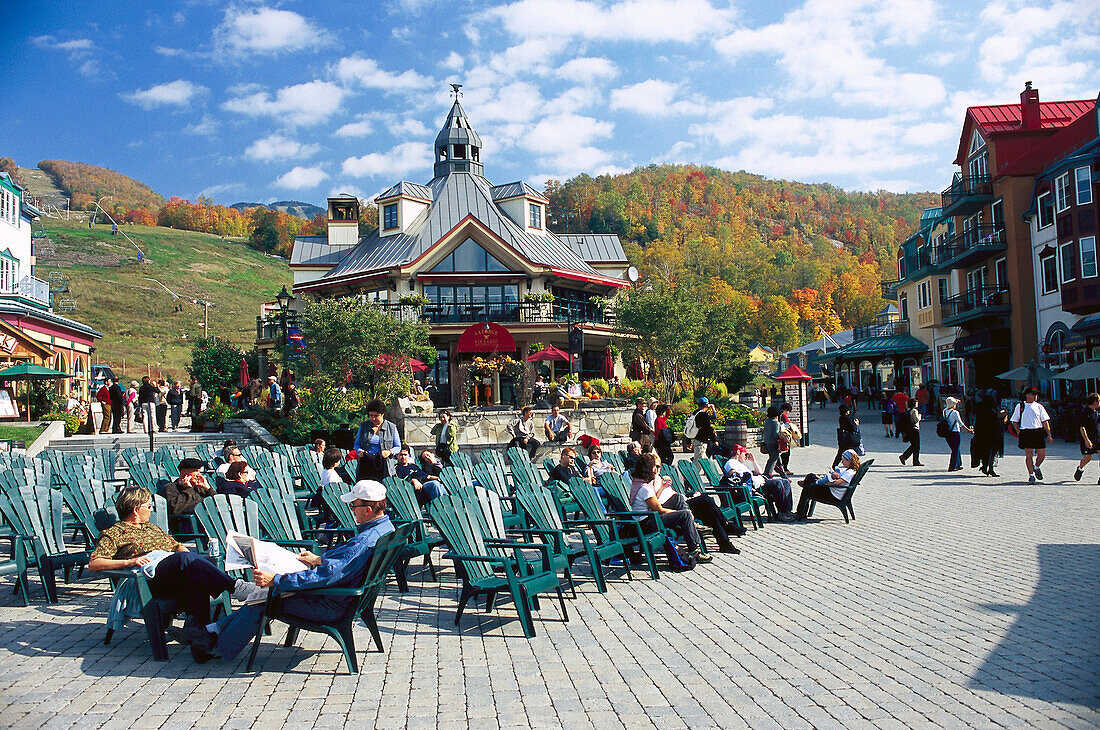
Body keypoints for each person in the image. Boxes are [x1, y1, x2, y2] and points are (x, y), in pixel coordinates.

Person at [177, 479, 395, 663]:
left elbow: (325, 576)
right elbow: (342, 564)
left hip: (333, 603)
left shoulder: (363, 541)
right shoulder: (385, 529)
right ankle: (210, 631)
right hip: (351, 598)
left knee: (268, 598)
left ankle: (215, 647)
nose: (352, 511)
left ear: (367, 509)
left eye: (354, 507)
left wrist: (276, 579)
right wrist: (319, 558)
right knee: (269, 592)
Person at [88, 487, 265, 634]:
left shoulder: (152, 528)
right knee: (185, 560)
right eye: (148, 506)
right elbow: (94, 563)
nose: (151, 509)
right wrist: (129, 562)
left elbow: (177, 546)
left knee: (195, 580)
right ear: (136, 510)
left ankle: (199, 636)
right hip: (146, 580)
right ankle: (236, 587)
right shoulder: (115, 533)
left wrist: (189, 559)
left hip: (170, 572)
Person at [628, 453, 713, 562]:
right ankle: (694, 550)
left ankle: (693, 526)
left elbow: (653, 501)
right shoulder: (645, 488)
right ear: (647, 468)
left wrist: (662, 487)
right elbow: (659, 509)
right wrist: (681, 512)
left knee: (677, 498)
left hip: (649, 519)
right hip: (647, 523)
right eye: (655, 467)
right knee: (685, 515)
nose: (657, 470)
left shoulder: (640, 482)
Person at [724, 445, 795, 522]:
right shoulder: (730, 462)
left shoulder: (742, 465)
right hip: (752, 487)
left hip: (758, 483)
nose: (746, 457)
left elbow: (760, 473)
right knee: (778, 483)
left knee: (785, 482)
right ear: (738, 452)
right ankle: (782, 513)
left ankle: (787, 511)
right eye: (745, 454)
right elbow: (735, 476)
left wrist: (753, 460)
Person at [795, 450, 860, 520]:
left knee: (810, 480)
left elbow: (836, 483)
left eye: (844, 460)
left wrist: (823, 483)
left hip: (833, 495)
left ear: (850, 461)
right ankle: (806, 485)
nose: (842, 462)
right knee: (811, 479)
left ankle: (800, 512)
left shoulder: (849, 473)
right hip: (835, 492)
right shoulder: (850, 471)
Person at [1010, 388, 1053, 484]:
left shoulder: (1039, 406)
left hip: (1038, 431)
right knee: (1029, 455)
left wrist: (1049, 434)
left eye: (1035, 395)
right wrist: (1018, 432)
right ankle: (1031, 476)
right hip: (1026, 432)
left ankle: (1036, 467)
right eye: (1033, 394)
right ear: (1028, 395)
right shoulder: (1020, 406)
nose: (1035, 396)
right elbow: (1014, 421)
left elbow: (1045, 421)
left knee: (1042, 454)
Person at [353, 398, 401, 482]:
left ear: (382, 414)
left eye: (376, 416)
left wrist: (389, 452)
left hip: (384, 466)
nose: (373, 418)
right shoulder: (364, 426)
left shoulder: (392, 427)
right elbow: (357, 444)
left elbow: (398, 446)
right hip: (366, 464)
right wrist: (359, 451)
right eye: (371, 415)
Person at [973, 393, 1004, 477]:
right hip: (992, 435)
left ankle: (985, 467)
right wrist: (1003, 419)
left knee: (984, 452)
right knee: (992, 452)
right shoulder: (992, 411)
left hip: (982, 435)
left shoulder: (981, 410)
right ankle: (990, 469)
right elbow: (996, 423)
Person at [1075, 393, 1100, 483]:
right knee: (1087, 458)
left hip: (1098, 437)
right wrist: (1086, 440)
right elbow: (1082, 427)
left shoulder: (1097, 411)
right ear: (1095, 402)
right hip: (1088, 438)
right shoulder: (1084, 412)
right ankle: (1080, 468)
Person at [942, 396, 972, 472]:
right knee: (955, 450)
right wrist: (968, 430)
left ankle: (958, 464)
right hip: (955, 432)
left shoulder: (944, 411)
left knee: (955, 448)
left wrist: (956, 401)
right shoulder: (955, 412)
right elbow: (961, 423)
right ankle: (952, 466)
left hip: (948, 432)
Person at [689, 397, 717, 468]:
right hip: (701, 441)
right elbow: (708, 429)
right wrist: (714, 440)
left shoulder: (695, 413)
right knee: (698, 461)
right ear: (707, 405)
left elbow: (690, 426)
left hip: (695, 438)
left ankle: (711, 474)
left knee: (705, 461)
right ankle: (692, 477)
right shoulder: (703, 415)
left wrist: (688, 441)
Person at [761, 406, 788, 478]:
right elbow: (775, 434)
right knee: (773, 459)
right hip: (773, 443)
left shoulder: (767, 421)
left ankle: (783, 475)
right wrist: (782, 436)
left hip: (767, 442)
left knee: (777, 460)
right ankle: (767, 474)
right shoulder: (776, 422)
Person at [832, 404, 860, 468]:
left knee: (840, 453)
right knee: (852, 453)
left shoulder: (841, 418)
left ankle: (834, 466)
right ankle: (855, 466)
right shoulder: (848, 418)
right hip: (850, 439)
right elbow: (853, 427)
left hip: (843, 439)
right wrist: (856, 424)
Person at [899, 398, 923, 466]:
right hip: (914, 429)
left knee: (914, 445)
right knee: (916, 446)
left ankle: (905, 457)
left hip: (909, 429)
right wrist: (920, 417)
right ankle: (914, 460)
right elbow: (916, 420)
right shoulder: (914, 411)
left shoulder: (908, 410)